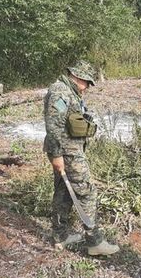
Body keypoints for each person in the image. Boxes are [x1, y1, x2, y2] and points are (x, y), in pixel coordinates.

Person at [43, 61, 119, 256]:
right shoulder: (60, 92)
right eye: (87, 83)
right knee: (87, 192)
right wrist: (57, 154)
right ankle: (95, 241)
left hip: (69, 150)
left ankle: (60, 236)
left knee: (64, 192)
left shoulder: (69, 91)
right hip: (68, 153)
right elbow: (53, 126)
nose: (87, 88)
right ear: (78, 76)